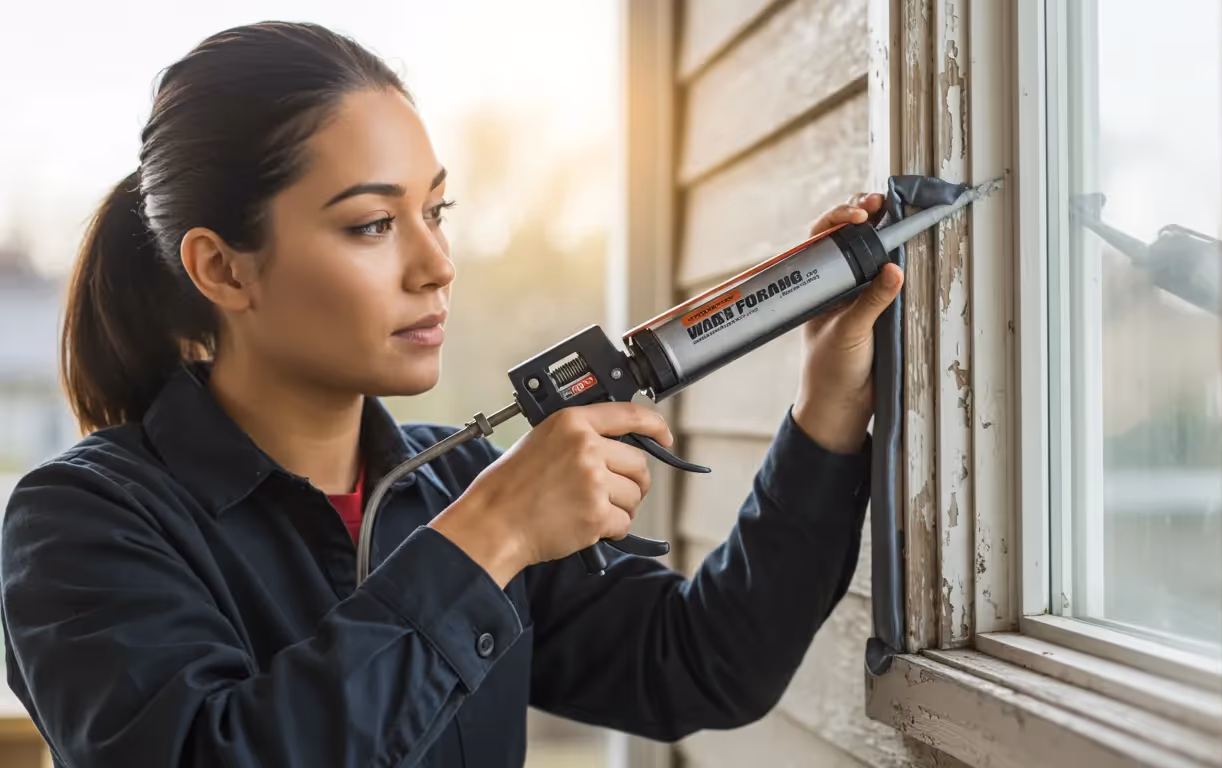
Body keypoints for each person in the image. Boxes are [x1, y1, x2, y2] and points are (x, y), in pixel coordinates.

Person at [0, 22, 903, 768]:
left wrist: (825, 409)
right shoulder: (80, 522)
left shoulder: (453, 479)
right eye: (372, 224)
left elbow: (703, 665)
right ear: (221, 269)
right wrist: (493, 534)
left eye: (436, 211)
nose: (437, 266)